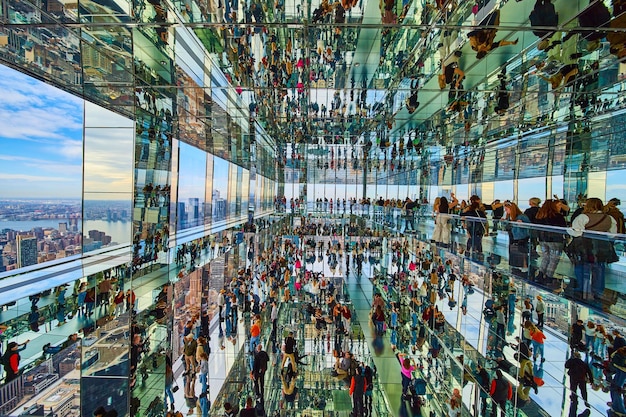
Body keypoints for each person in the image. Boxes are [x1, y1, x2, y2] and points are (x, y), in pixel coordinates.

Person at [569, 197, 618, 301]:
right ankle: (598, 292)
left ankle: (583, 289)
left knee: (582, 267)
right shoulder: (609, 218)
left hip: (586, 246)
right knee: (599, 268)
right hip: (603, 246)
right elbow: (612, 235)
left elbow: (577, 232)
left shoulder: (583, 217)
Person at [534, 199, 567, 288]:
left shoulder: (539, 215)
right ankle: (549, 276)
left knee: (546, 257)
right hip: (555, 240)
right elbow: (564, 227)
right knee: (554, 259)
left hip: (542, 239)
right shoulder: (557, 216)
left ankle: (540, 274)